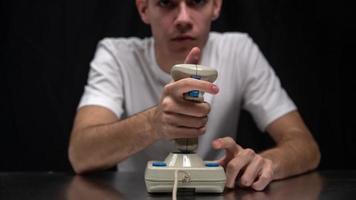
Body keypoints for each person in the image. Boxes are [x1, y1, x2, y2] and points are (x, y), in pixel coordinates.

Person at [68, 0, 320, 191]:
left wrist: (265, 164)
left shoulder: (239, 50)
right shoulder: (116, 55)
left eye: (196, 1)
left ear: (216, 5)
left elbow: (305, 145)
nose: (183, 18)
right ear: (144, 8)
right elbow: (80, 154)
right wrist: (152, 123)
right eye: (167, 3)